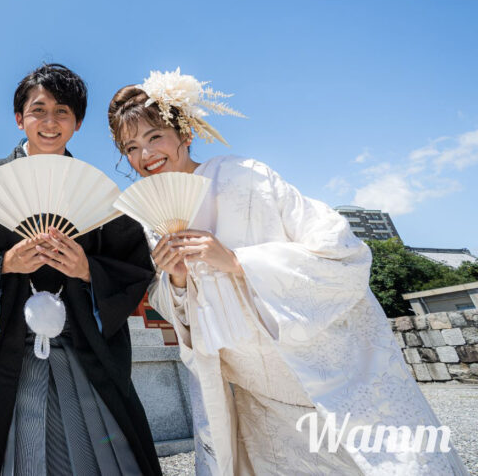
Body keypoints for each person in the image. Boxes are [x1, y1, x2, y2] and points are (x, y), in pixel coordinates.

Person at [108, 68, 467, 476]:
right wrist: (174, 282)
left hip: (326, 376)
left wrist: (239, 262)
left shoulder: (246, 177)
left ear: (185, 133)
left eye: (155, 137)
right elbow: (181, 318)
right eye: (131, 147)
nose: (145, 155)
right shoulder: (154, 224)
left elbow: (342, 252)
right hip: (255, 397)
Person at [0, 63, 162, 476]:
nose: (50, 122)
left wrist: (88, 270)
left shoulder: (97, 191)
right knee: (23, 456)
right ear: (20, 118)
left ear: (77, 124)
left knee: (105, 454)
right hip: (15, 353)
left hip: (83, 346)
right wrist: (4, 263)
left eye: (63, 112)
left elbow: (132, 264)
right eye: (38, 110)